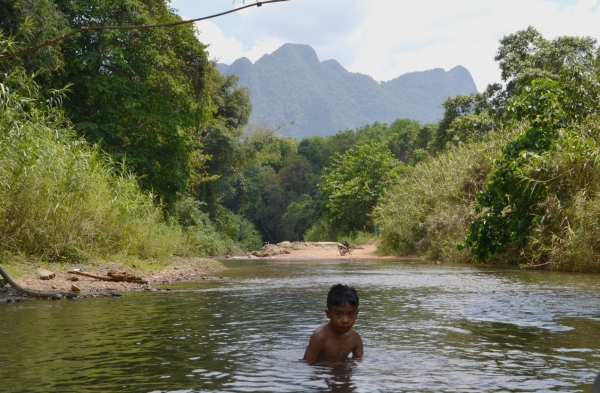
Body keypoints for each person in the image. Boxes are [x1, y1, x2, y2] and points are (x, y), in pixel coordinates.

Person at [303, 284, 363, 361]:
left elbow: (360, 361)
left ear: (356, 314)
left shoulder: (355, 338)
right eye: (339, 314)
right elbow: (307, 365)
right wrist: (338, 365)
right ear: (328, 314)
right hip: (324, 372)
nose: (345, 320)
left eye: (351, 314)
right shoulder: (320, 337)